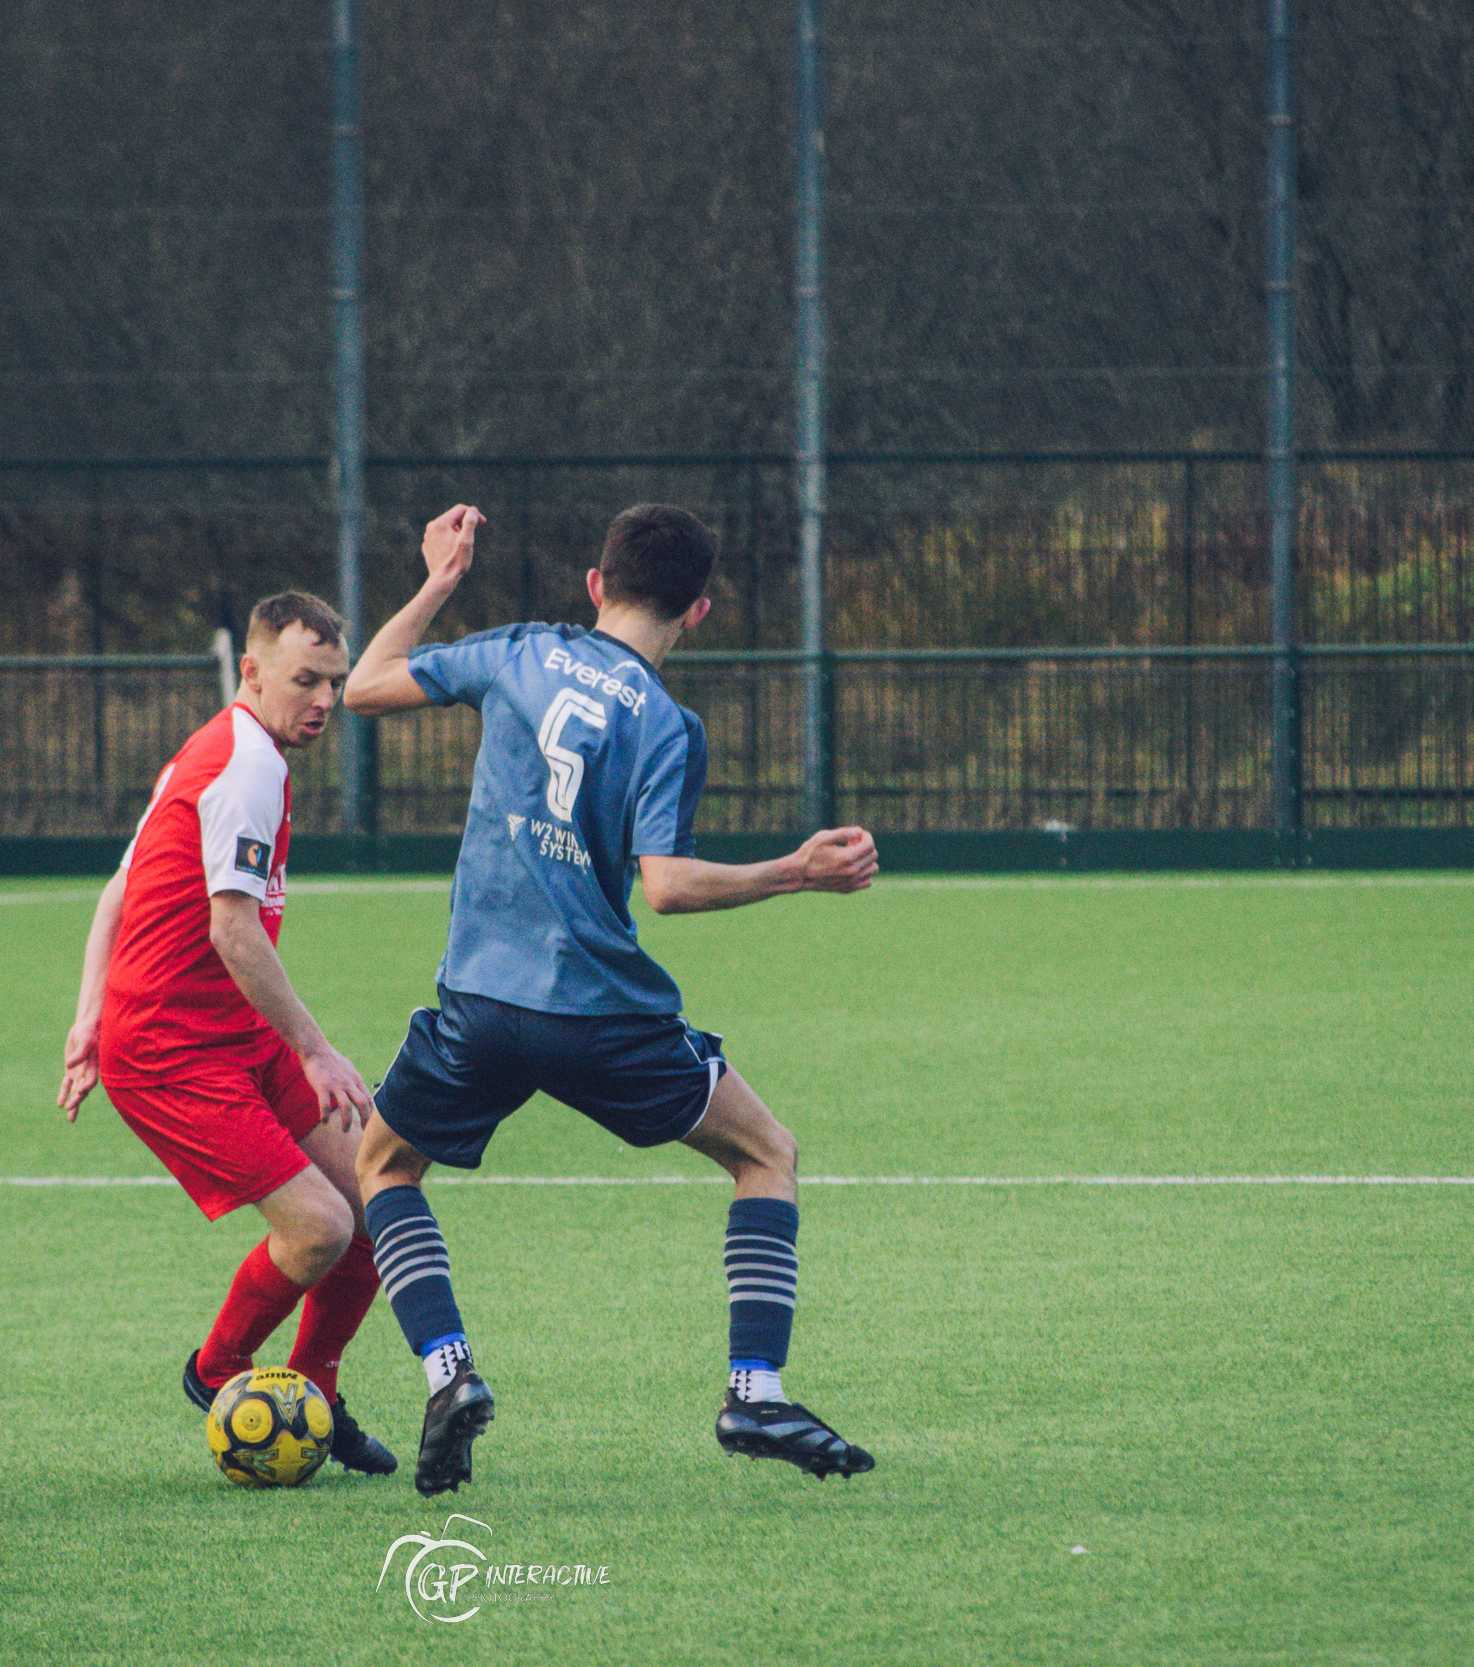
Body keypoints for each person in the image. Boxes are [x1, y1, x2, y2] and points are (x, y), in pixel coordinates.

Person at [342, 502, 882, 1495]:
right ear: (701, 609)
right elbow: (667, 885)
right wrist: (796, 870)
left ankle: (449, 1371)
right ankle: (754, 1389)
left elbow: (364, 686)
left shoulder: (513, 651)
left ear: (595, 583)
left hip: (480, 1005)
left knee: (382, 1164)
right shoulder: (668, 724)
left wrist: (438, 582)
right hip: (601, 1015)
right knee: (765, 1153)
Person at [56, 591, 398, 1477]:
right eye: (304, 680)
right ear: (251, 671)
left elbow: (119, 886)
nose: (323, 700)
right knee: (319, 1228)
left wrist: (85, 1014)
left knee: (376, 1205)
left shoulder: (225, 750)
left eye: (334, 681)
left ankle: (313, 1394)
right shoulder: (243, 765)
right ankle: (217, 1371)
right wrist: (318, 1049)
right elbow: (232, 930)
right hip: (172, 1052)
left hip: (235, 1037)